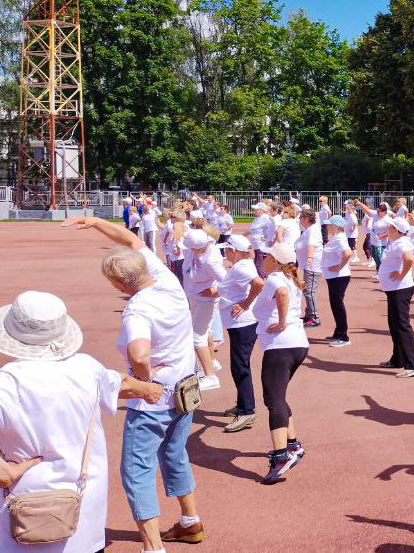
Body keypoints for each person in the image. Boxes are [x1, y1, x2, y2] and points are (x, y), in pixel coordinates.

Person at [0, 291, 164, 553]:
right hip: (82, 509)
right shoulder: (87, 368)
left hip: (22, 510)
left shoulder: (3, 383)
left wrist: (2, 472)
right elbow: (121, 382)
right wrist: (150, 389)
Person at [61, 216, 206, 548]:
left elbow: (139, 354)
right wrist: (94, 221)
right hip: (185, 391)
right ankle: (190, 521)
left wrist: (144, 380)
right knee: (175, 453)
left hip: (153, 400)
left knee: (137, 471)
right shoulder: (167, 281)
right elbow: (130, 239)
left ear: (118, 283)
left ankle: (153, 546)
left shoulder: (137, 309)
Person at [249, 242, 309, 485]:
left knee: (273, 401)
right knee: (279, 397)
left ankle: (281, 455)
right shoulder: (289, 277)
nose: (262, 258)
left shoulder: (275, 279)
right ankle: (293, 445)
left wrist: (282, 322)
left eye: (266, 256)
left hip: (281, 345)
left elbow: (281, 295)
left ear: (275, 261)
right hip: (296, 345)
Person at [216, 234, 264, 433]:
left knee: (240, 366)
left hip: (243, 324)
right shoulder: (241, 265)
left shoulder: (242, 266)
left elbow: (259, 283)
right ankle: (242, 404)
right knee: (238, 365)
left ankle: (246, 411)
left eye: (227, 249)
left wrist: (245, 304)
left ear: (234, 251)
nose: (225, 252)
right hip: (240, 324)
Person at [182, 228, 226, 390]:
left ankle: (210, 376)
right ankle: (211, 362)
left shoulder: (211, 259)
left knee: (196, 337)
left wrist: (216, 291)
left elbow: (227, 281)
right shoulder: (199, 248)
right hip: (195, 296)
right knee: (205, 331)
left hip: (205, 300)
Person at [377, 217, 414, 377]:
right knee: (394, 324)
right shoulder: (396, 242)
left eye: (390, 226)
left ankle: (413, 365)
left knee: (402, 326)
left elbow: (409, 259)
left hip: (399, 290)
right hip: (394, 290)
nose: (387, 228)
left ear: (396, 230)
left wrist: (402, 274)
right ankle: (398, 359)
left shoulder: (402, 243)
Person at [321, 215, 353, 347]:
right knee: (335, 304)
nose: (327, 226)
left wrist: (339, 266)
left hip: (339, 277)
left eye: (329, 224)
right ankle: (338, 332)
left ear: (335, 226)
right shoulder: (337, 238)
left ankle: (343, 336)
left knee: (337, 305)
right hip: (334, 277)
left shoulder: (339, 238)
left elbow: (347, 253)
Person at [294, 208, 323, 328]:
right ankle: (309, 315)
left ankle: (315, 317)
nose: (299, 219)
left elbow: (311, 244)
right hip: (308, 264)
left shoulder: (311, 230)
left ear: (306, 219)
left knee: (309, 291)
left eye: (301, 217)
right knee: (308, 290)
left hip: (312, 265)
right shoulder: (309, 229)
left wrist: (310, 257)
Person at [248, 202, 273, 277]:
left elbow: (271, 228)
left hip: (260, 245)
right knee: (257, 264)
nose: (254, 211)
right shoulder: (256, 218)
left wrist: (266, 237)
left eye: (256, 209)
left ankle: (262, 281)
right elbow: (250, 230)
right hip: (256, 246)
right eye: (254, 209)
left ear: (262, 210)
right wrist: (241, 236)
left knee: (259, 265)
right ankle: (263, 280)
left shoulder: (265, 217)